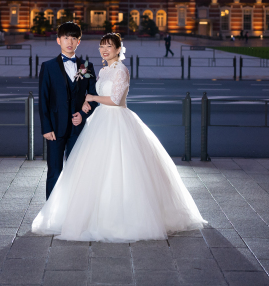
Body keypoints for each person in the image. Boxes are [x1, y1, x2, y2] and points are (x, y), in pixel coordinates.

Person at [32, 32, 206, 242]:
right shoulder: (103, 70)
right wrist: (87, 104)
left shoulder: (121, 70)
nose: (105, 50)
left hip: (118, 121)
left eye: (109, 46)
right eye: (102, 46)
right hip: (99, 121)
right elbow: (88, 96)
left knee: (121, 169)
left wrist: (92, 97)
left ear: (118, 49)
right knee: (92, 170)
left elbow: (115, 100)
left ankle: (121, 218)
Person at [37, 22, 98, 199]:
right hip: (55, 129)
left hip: (78, 130)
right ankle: (52, 213)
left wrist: (84, 112)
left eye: (73, 38)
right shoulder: (48, 67)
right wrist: (46, 127)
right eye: (66, 38)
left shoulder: (86, 66)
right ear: (58, 40)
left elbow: (94, 95)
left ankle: (71, 213)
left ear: (79, 41)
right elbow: (44, 99)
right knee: (54, 172)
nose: (69, 41)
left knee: (76, 172)